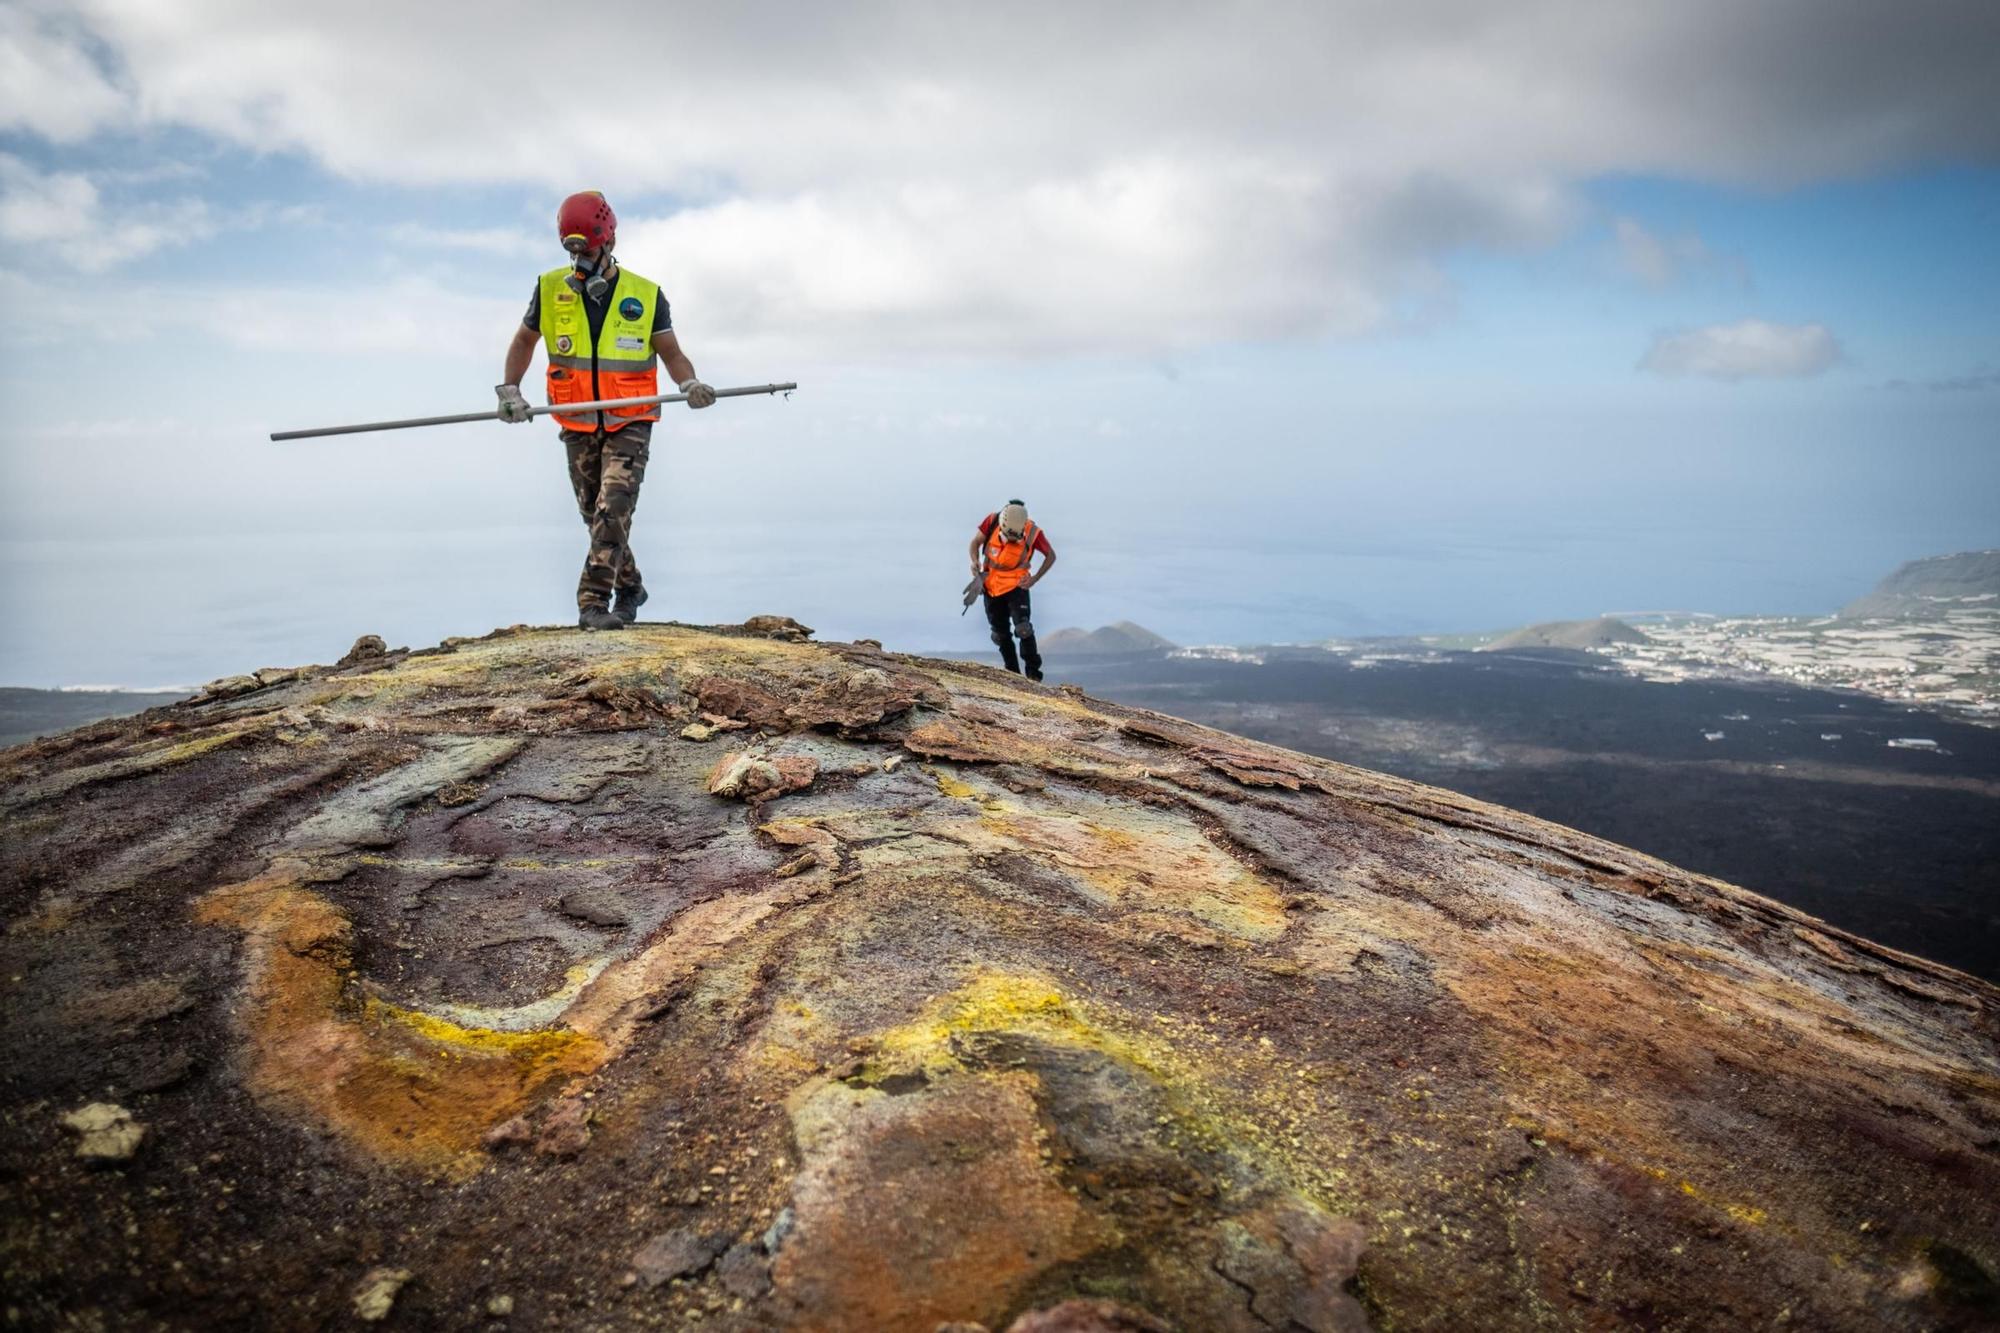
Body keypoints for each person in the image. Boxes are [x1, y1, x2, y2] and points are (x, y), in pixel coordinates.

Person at [496, 191, 716, 630]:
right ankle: (631, 586)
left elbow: (671, 352)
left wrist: (688, 383)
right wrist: (510, 390)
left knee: (612, 507)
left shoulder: (646, 295)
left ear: (609, 243)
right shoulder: (550, 288)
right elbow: (524, 341)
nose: (580, 260)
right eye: (572, 249)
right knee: (596, 516)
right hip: (576, 420)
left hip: (631, 419)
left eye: (588, 249)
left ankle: (592, 603)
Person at [969, 500, 1056, 680]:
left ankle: (1033, 676)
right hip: (991, 586)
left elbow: (1050, 555)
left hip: (1017, 586)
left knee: (1023, 629)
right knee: (1000, 635)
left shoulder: (1033, 532)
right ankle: (1013, 676)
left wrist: (1034, 579)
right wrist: (975, 561)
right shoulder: (992, 521)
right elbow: (975, 542)